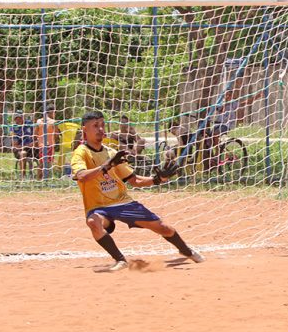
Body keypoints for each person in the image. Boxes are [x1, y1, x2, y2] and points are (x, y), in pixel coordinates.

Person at [71, 110, 205, 271]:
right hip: (98, 206)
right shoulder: (81, 153)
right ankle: (120, 260)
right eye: (95, 126)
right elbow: (82, 176)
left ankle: (185, 250)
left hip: (123, 202)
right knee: (93, 222)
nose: (100, 129)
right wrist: (105, 166)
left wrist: (158, 179)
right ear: (85, 129)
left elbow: (135, 181)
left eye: (102, 125)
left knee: (163, 228)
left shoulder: (112, 153)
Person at [34, 105, 60, 180]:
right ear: (51, 112)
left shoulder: (39, 121)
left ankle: (40, 178)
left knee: (41, 162)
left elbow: (35, 133)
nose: (54, 114)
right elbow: (56, 134)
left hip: (41, 145)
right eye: (54, 112)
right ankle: (45, 179)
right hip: (50, 145)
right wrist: (54, 140)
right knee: (48, 162)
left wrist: (38, 140)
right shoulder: (53, 122)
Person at [11, 110, 36, 179]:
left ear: (23, 118)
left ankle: (42, 176)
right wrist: (27, 145)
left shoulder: (29, 124)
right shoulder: (13, 128)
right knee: (23, 153)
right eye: (16, 118)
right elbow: (15, 145)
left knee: (43, 150)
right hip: (20, 149)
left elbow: (36, 136)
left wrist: (35, 142)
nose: (18, 120)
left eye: (20, 117)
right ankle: (23, 176)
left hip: (32, 148)